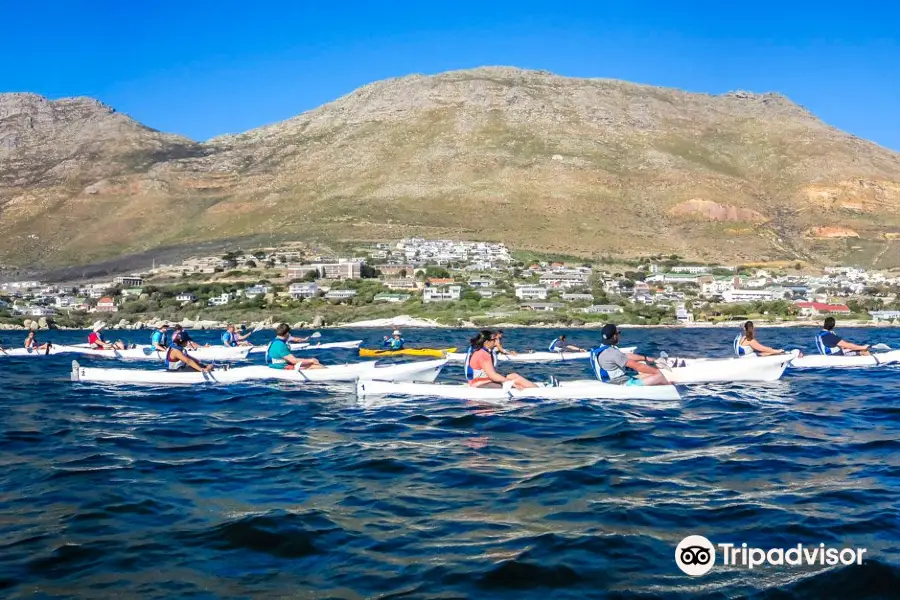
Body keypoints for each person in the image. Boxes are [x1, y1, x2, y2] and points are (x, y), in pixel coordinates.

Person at [591, 324, 668, 386]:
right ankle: (669, 388)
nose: (619, 335)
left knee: (647, 372)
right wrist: (657, 371)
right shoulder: (613, 353)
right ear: (614, 336)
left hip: (609, 381)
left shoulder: (602, 349)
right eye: (619, 333)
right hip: (621, 384)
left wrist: (645, 358)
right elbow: (638, 366)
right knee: (659, 376)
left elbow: (624, 356)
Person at [465, 330, 537, 389]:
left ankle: (536, 389)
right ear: (487, 342)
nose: (496, 342)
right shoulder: (483, 354)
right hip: (480, 384)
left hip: (482, 381)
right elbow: (493, 376)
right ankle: (536, 391)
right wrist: (511, 383)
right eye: (494, 340)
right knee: (515, 382)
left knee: (514, 376)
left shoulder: (481, 351)